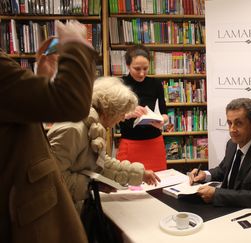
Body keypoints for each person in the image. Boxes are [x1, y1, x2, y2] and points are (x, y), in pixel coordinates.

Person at [0, 20, 96, 243]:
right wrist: (75, 42)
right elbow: (72, 103)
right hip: (28, 213)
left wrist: (43, 77)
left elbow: (21, 116)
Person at [47, 77, 161, 210]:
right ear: (110, 111)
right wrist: (91, 185)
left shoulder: (91, 124)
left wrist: (139, 174)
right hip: (58, 213)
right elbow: (51, 179)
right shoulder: (73, 129)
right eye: (122, 113)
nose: (123, 119)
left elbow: (101, 163)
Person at [189, 98, 251, 217]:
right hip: (229, 209)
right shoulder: (232, 144)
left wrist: (216, 194)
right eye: (229, 123)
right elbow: (224, 170)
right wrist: (205, 175)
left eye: (238, 123)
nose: (232, 129)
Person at [116, 45, 168, 172]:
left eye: (145, 68)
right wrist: (127, 114)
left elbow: (164, 113)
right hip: (130, 143)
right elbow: (111, 117)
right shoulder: (120, 84)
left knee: (158, 185)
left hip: (154, 143)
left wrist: (162, 121)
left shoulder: (155, 84)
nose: (142, 73)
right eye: (137, 69)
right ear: (128, 66)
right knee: (127, 187)